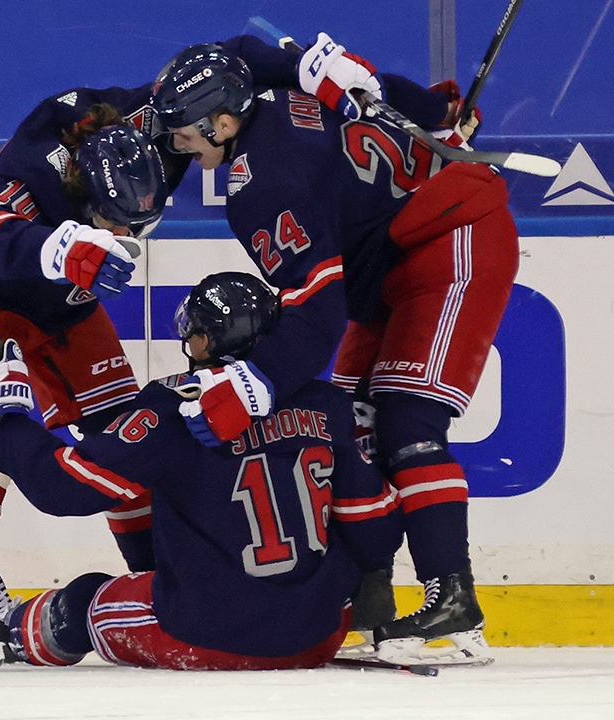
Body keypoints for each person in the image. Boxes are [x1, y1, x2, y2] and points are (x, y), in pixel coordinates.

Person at [0, 35, 352, 670]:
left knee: (126, 430)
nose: (127, 238)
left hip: (64, 294)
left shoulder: (162, 119)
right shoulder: (34, 168)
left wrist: (309, 64)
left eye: (138, 227)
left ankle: (158, 572)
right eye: (114, 224)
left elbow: (230, 61)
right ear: (80, 197)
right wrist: (61, 249)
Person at [147, 36, 512, 665]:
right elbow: (244, 52)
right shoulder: (289, 93)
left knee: (407, 419)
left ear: (224, 121)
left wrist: (253, 382)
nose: (176, 143)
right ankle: (369, 601)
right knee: (346, 420)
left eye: (184, 131)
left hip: (452, 236)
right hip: (392, 260)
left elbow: (317, 315)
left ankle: (454, 605)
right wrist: (429, 109)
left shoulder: (263, 189)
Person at [0, 272, 401, 670]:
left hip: (209, 635)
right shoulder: (325, 403)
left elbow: (62, 489)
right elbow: (374, 526)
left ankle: (7, 634)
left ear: (206, 342)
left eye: (193, 336)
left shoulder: (176, 406)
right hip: (319, 635)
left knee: (82, 601)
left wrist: (5, 421)